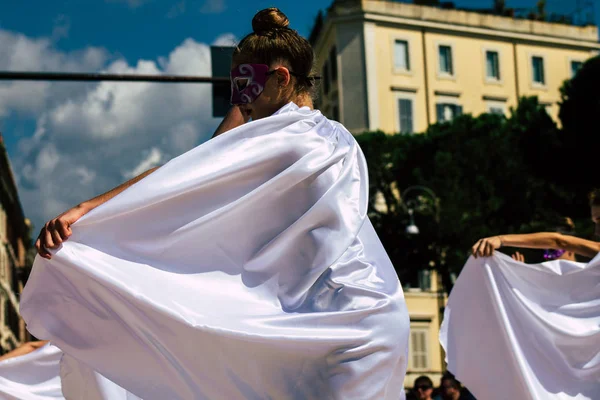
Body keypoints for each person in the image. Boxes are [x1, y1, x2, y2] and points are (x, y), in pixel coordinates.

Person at [22, 8, 410, 400]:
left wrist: (89, 209)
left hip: (348, 325)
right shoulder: (323, 136)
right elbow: (197, 162)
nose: (240, 104)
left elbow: (178, 177)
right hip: (343, 317)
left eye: (246, 89)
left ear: (281, 80)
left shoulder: (288, 138)